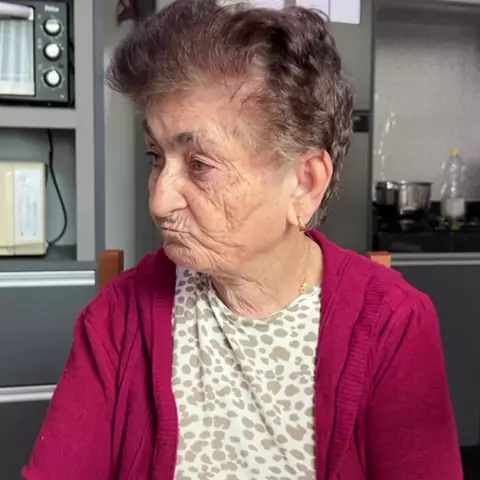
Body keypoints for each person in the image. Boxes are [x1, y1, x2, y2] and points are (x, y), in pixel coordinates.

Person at [23, 0, 463, 479]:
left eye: (200, 165)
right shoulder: (118, 318)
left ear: (304, 183)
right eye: (156, 157)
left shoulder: (393, 325)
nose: (160, 201)